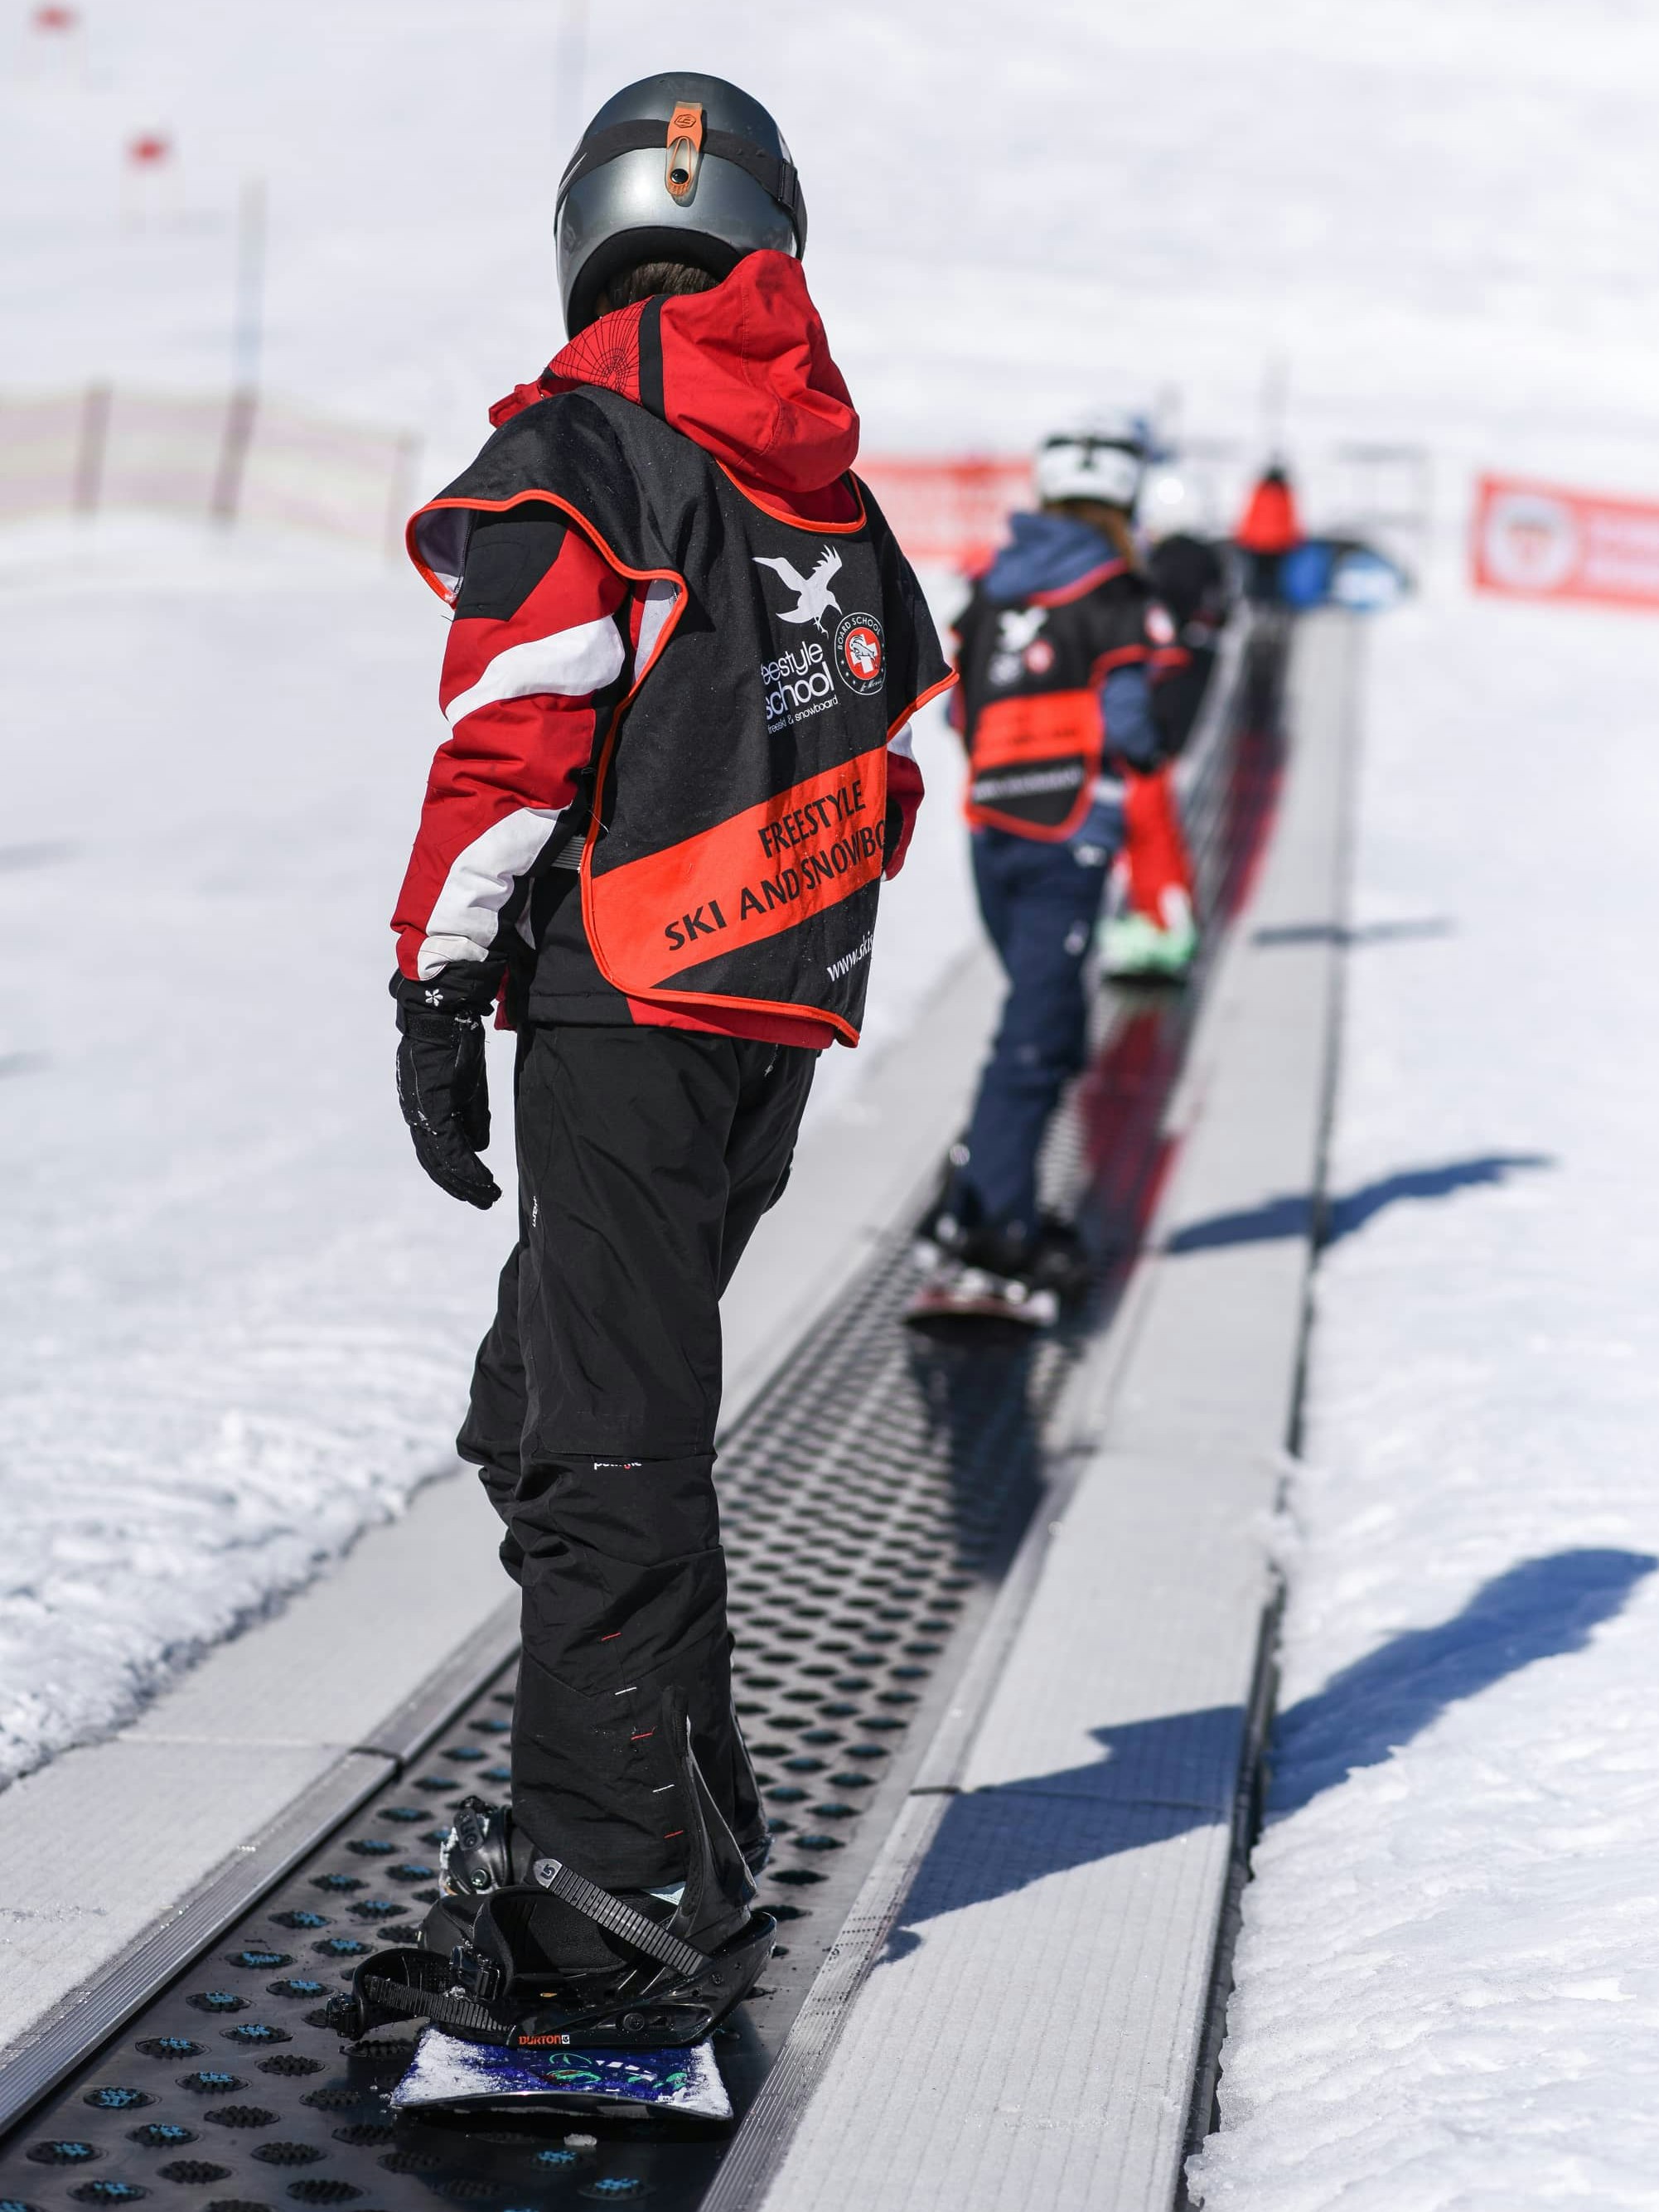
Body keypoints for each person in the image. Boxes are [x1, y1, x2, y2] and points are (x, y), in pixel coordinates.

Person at [365, 72, 951, 2049]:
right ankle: (677, 1820)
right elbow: (889, 762)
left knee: (604, 1439)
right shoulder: (829, 490)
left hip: (624, 1007)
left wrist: (441, 987)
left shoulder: (587, 444)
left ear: (590, 236)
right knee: (544, 1413)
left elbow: (516, 722)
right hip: (763, 1020)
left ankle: (606, 1914)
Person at [923, 419, 1181, 1306]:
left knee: (1049, 1021)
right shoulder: (1116, 593)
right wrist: (1141, 755)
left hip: (992, 826)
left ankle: (981, 1194)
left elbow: (959, 714)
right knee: (1034, 1038)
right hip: (1068, 836)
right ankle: (990, 1227)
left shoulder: (991, 585)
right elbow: (1129, 724)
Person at [1097, 519, 1233, 982]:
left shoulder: (1163, 578)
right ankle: (1158, 917)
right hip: (1177, 688)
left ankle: (1167, 923)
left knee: (1145, 815)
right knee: (1147, 814)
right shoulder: (1197, 562)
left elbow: (1154, 638)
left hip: (1159, 704)